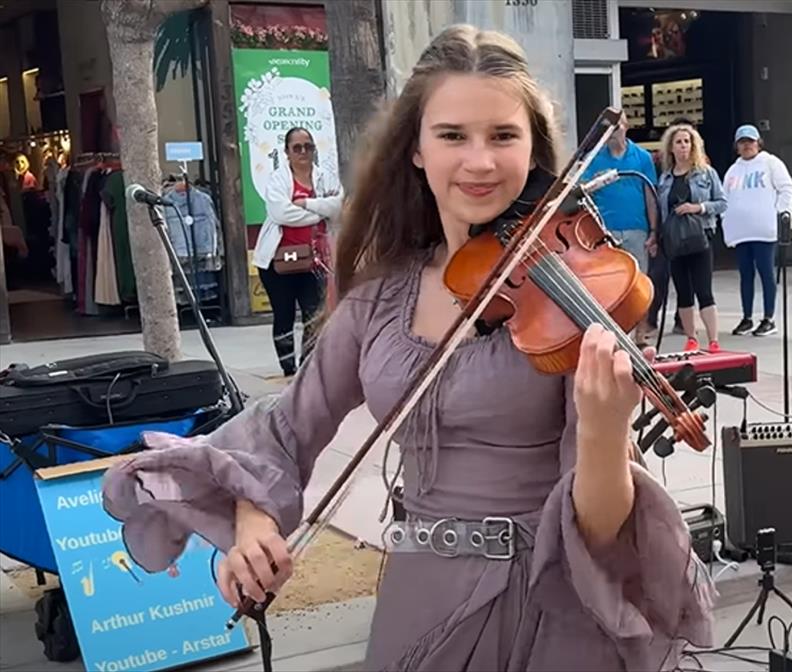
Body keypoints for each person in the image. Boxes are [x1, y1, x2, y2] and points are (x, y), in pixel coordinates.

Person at [100, 25, 715, 671]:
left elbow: (601, 529)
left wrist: (604, 429)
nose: (479, 162)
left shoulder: (570, 297)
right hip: (420, 593)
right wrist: (253, 521)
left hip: (551, 604)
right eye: (452, 135)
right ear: (417, 149)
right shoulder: (378, 302)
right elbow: (285, 428)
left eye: (503, 136)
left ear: (534, 150)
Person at [251, 127, 344, 377]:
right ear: (287, 152)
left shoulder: (326, 177)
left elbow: (339, 207)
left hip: (315, 261)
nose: (303, 152)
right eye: (297, 147)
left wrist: (305, 203)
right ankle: (288, 367)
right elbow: (281, 213)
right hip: (277, 263)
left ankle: (307, 368)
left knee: (314, 315)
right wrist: (320, 210)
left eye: (308, 146)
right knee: (284, 315)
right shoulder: (278, 180)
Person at [581, 111, 660, 344]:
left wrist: (654, 232)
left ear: (625, 127)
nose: (611, 133)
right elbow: (580, 189)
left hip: (636, 229)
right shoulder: (594, 157)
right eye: (606, 129)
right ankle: (614, 335)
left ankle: (641, 336)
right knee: (609, 285)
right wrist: (596, 180)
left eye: (615, 127)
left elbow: (650, 194)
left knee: (640, 284)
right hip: (606, 230)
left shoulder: (642, 157)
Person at [656, 123, 727, 352]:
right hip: (675, 241)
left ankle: (713, 339)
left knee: (704, 290)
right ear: (671, 148)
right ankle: (691, 337)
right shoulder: (665, 178)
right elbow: (660, 210)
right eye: (678, 142)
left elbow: (722, 203)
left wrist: (698, 207)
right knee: (683, 291)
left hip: (699, 237)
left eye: (687, 141)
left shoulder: (706, 173)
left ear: (694, 145)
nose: (683, 146)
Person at [721, 124, 792, 337]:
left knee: (766, 272)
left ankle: (769, 317)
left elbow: (787, 188)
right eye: (743, 142)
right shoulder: (733, 171)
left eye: (750, 141)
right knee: (745, 274)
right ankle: (747, 317)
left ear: (758, 143)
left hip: (764, 230)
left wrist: (778, 213)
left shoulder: (771, 163)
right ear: (737, 146)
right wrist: (727, 221)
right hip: (742, 232)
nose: (747, 146)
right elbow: (724, 198)